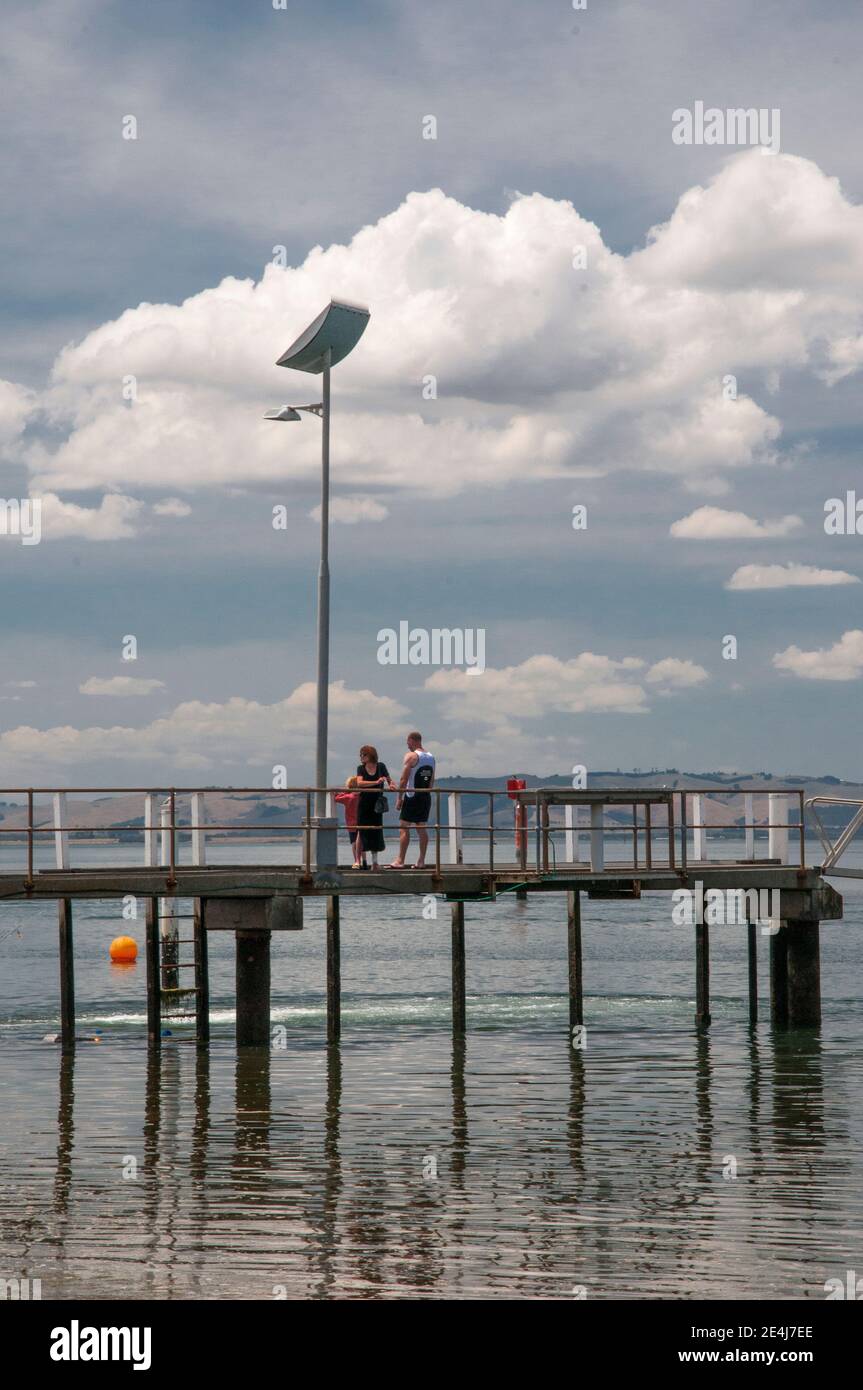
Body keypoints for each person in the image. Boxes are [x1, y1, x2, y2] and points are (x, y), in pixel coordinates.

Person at [389, 731, 436, 868]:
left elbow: (404, 779)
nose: (407, 745)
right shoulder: (431, 757)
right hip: (425, 795)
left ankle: (400, 860)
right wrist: (427, 793)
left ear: (412, 740)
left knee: (404, 827)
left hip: (412, 795)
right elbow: (431, 780)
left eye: (408, 742)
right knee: (421, 828)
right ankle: (421, 861)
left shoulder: (411, 756)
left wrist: (399, 797)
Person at [355, 745, 395, 869]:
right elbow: (359, 783)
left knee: (376, 832)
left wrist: (392, 785)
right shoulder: (361, 768)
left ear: (370, 755)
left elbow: (390, 780)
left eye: (364, 755)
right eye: (360, 755)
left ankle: (375, 862)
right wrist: (376, 782)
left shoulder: (381, 766)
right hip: (364, 804)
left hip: (377, 806)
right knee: (362, 832)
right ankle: (359, 861)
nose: (361, 757)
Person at [334, 775, 365, 869]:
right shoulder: (362, 797)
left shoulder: (348, 797)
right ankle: (364, 862)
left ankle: (356, 861)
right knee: (361, 843)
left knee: (354, 843)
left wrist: (344, 792)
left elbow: (336, 798)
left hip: (351, 824)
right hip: (362, 823)